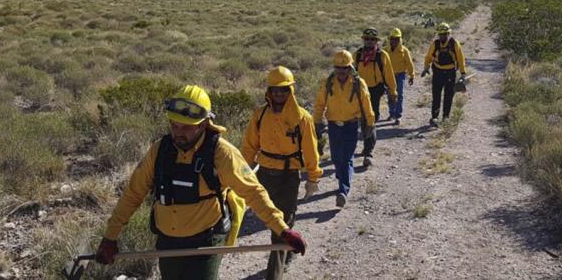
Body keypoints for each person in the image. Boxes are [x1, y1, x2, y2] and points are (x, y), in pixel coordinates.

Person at [95, 85, 306, 280]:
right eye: (174, 125)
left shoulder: (221, 153)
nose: (178, 132)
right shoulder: (160, 150)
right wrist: (110, 237)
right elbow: (133, 194)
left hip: (206, 242)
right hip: (167, 241)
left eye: (186, 127)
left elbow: (253, 192)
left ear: (204, 124)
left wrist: (282, 229)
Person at [241, 66, 322, 280]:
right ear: (269, 91)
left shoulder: (301, 118)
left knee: (283, 224)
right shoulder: (260, 116)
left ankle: (274, 273)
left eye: (283, 90)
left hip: (289, 175)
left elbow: (311, 150)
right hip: (265, 174)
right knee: (271, 219)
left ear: (290, 91)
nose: (279, 94)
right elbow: (249, 147)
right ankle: (286, 251)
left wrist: (312, 178)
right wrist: (242, 172)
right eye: (275, 90)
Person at [313, 50, 374, 208]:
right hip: (334, 125)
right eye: (338, 68)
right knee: (336, 157)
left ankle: (343, 191)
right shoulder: (328, 83)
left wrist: (370, 123)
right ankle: (342, 177)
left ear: (350, 67)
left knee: (347, 158)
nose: (341, 71)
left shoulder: (358, 84)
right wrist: (317, 122)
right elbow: (320, 104)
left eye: (344, 68)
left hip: (351, 125)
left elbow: (367, 105)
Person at [354, 27, 397, 166]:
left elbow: (389, 74)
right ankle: (366, 146)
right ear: (363, 40)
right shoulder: (357, 55)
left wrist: (393, 91)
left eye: (372, 39)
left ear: (377, 41)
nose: (369, 42)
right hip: (359, 91)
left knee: (371, 119)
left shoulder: (382, 55)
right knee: (362, 119)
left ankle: (368, 152)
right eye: (367, 39)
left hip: (375, 90)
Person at [421, 22, 467, 126]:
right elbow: (428, 56)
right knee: (436, 95)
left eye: (445, 34)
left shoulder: (454, 44)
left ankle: (446, 117)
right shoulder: (435, 44)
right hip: (437, 72)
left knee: (448, 96)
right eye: (440, 34)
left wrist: (463, 73)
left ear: (448, 33)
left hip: (450, 72)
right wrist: (426, 67)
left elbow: (460, 58)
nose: (442, 36)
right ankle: (434, 117)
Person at [383, 28, 415, 125]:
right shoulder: (385, 51)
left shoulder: (404, 51)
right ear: (389, 39)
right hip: (388, 76)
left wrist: (411, 75)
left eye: (396, 39)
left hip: (400, 75)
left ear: (400, 39)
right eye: (392, 38)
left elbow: (409, 64)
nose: (394, 41)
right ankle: (391, 113)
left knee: (399, 95)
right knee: (390, 95)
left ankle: (398, 116)